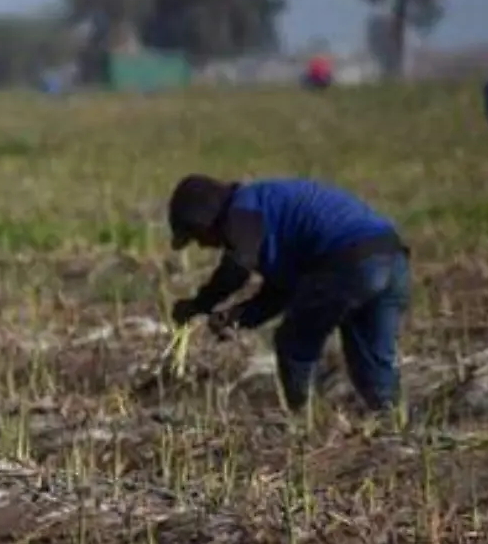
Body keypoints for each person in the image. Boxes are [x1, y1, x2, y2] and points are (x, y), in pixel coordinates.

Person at [166, 174, 410, 415]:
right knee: (372, 359)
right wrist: (239, 316)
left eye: (197, 236)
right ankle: (390, 420)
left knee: (294, 342)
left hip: (351, 259)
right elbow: (284, 291)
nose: (202, 245)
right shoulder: (268, 214)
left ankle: (305, 419)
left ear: (206, 219)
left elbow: (238, 266)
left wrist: (199, 304)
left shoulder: (243, 207)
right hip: (392, 258)